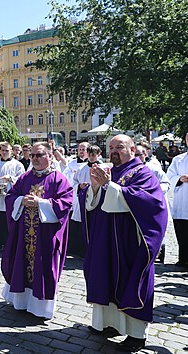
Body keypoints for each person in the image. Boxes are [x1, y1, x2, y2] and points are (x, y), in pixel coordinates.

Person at [80, 134, 167, 352]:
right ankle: (110, 324)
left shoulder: (143, 173)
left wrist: (109, 186)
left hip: (130, 241)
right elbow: (93, 201)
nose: (114, 151)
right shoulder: (109, 171)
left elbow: (151, 202)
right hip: (106, 238)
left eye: (119, 147)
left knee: (131, 281)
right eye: (111, 148)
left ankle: (137, 335)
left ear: (133, 149)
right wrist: (94, 187)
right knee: (104, 276)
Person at [1, 142, 73, 319]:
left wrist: (41, 204)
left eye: (39, 155)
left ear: (49, 156)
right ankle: (21, 301)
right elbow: (11, 197)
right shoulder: (25, 177)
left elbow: (66, 203)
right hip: (24, 233)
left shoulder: (58, 179)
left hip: (45, 236)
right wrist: (20, 201)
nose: (35, 159)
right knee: (22, 263)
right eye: (32, 155)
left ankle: (40, 307)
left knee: (44, 266)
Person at [0, 142, 26, 253]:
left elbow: (22, 180)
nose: (5, 152)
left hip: (10, 197)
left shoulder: (18, 165)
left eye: (7, 150)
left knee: (9, 221)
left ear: (11, 151)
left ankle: (10, 245)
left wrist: (11, 178)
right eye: (2, 150)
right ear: (0, 151)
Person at [69, 145, 103, 258]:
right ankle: (82, 251)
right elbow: (73, 183)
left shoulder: (104, 167)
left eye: (94, 154)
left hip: (98, 200)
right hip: (83, 200)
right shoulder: (82, 169)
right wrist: (79, 186)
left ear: (99, 154)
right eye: (90, 154)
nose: (92, 156)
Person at [167, 132, 188, 268]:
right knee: (182, 232)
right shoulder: (179, 159)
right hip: (182, 201)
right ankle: (183, 258)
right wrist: (179, 179)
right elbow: (169, 177)